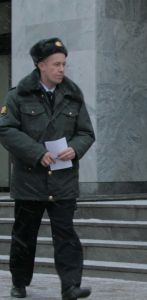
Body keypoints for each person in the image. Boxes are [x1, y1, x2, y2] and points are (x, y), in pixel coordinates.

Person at [0, 38, 95, 299]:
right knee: (24, 236)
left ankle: (71, 286)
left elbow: (86, 132)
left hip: (63, 180)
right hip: (30, 180)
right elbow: (6, 129)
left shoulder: (73, 96)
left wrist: (75, 148)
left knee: (66, 235)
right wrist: (37, 153)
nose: (62, 69)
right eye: (56, 64)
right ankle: (19, 281)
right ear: (41, 65)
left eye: (64, 64)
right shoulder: (18, 95)